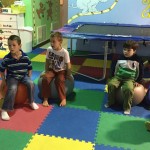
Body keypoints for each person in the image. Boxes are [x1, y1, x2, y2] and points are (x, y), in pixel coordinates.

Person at [0, 35, 39, 121]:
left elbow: (30, 67)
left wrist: (29, 77)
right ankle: (4, 109)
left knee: (31, 83)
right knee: (13, 88)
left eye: (14, 45)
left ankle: (31, 101)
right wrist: (3, 80)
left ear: (20, 46)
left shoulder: (25, 57)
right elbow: (2, 70)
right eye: (9, 45)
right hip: (12, 77)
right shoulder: (6, 59)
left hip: (23, 76)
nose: (11, 47)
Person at [105, 40, 144, 115]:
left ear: (134, 51)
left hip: (130, 79)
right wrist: (111, 77)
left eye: (129, 50)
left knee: (128, 89)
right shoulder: (119, 58)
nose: (126, 52)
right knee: (110, 85)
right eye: (124, 49)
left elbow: (141, 71)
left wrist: (138, 81)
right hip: (118, 77)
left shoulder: (138, 59)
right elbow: (113, 68)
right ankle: (111, 102)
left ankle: (126, 107)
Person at [40, 31, 71, 107]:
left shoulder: (64, 52)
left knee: (59, 80)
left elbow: (68, 65)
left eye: (54, 42)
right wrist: (46, 72)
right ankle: (45, 99)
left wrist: (68, 74)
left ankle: (63, 98)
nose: (51, 44)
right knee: (45, 79)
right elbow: (47, 61)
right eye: (51, 42)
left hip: (61, 70)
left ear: (60, 42)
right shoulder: (49, 49)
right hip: (52, 69)